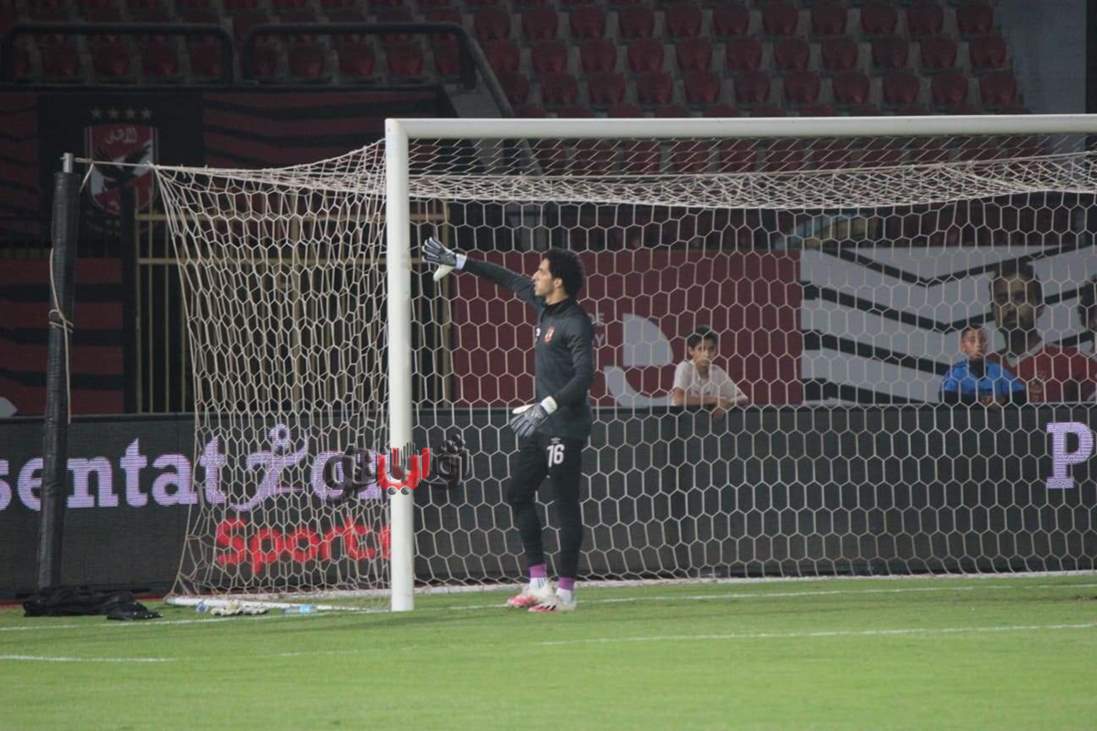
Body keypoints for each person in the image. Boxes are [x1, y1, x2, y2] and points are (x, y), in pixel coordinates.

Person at [422, 237, 594, 613]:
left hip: (565, 427)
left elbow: (584, 377)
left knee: (565, 505)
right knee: (517, 492)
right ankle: (538, 583)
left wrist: (546, 406)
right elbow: (506, 278)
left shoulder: (576, 323)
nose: (534, 275)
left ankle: (565, 594)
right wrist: (461, 261)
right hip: (539, 423)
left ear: (558, 281)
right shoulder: (543, 306)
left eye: (542, 271)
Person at [989, 260, 1097, 402]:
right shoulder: (981, 368)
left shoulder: (1074, 362)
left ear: (1039, 307)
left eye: (1020, 298)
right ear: (993, 310)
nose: (1010, 307)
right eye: (1002, 300)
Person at [670, 327, 748, 418]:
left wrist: (725, 405)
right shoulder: (685, 367)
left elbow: (743, 398)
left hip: (707, 424)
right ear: (691, 350)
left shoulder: (717, 371)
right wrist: (714, 400)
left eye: (711, 349)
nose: (707, 354)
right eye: (701, 349)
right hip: (682, 422)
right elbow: (679, 399)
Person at [939, 325, 1025, 404]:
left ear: (987, 344)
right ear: (962, 346)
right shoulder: (957, 371)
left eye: (982, 340)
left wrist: (1002, 400)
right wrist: (981, 400)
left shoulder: (997, 370)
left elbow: (1021, 395)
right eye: (972, 340)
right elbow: (945, 396)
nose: (978, 344)